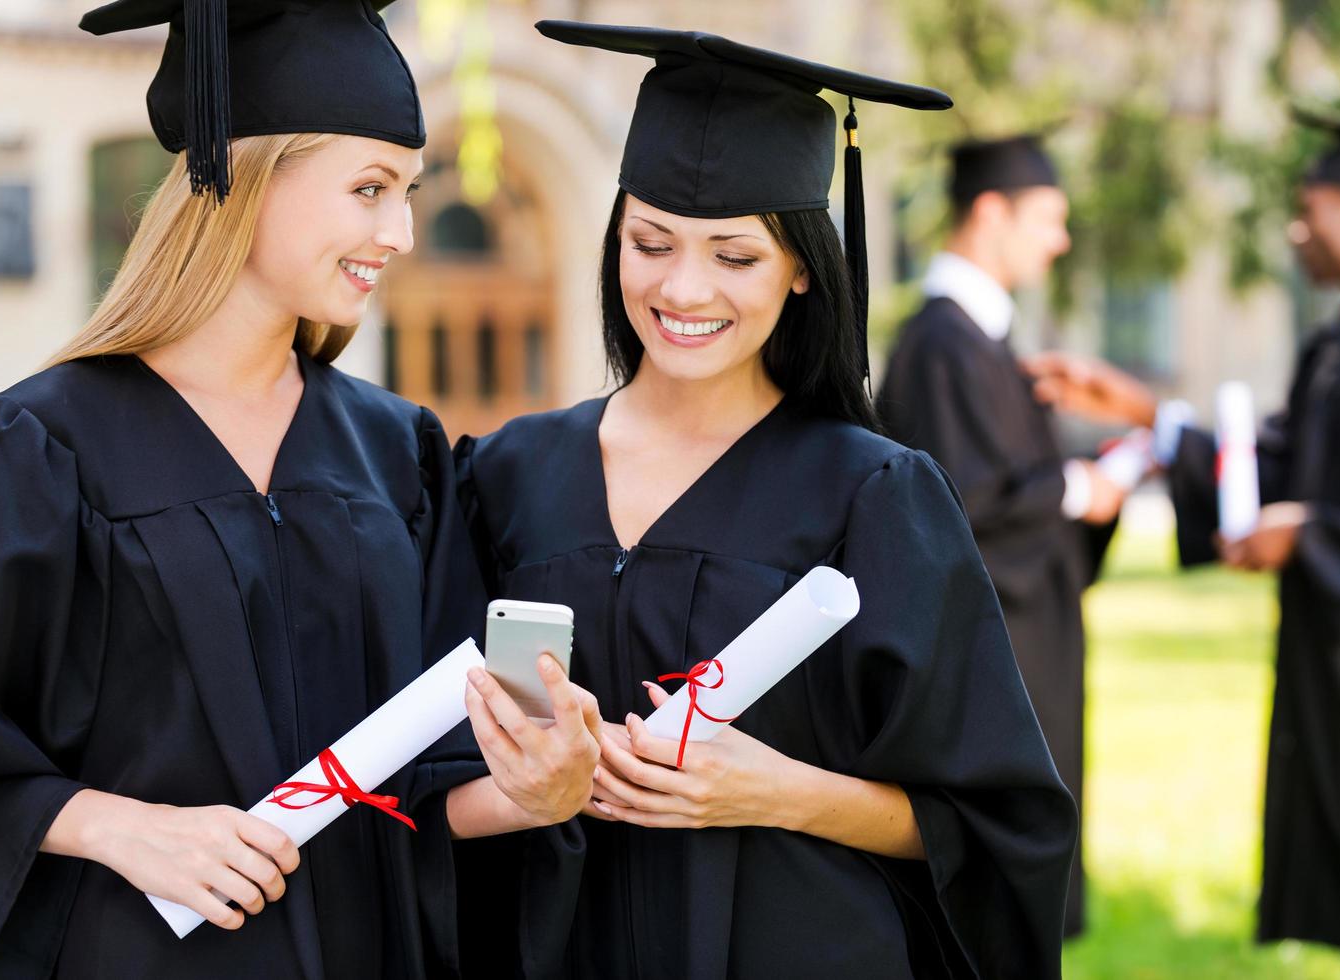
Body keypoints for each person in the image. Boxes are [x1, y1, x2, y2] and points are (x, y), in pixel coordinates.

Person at [0, 3, 598, 977]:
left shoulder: (399, 454)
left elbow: (421, 790)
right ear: (243, 177)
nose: (399, 231)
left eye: (408, 192)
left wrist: (537, 790)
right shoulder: (44, 445)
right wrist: (115, 825)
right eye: (368, 187)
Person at [454, 21, 1078, 979]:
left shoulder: (871, 495)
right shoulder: (505, 475)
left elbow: (989, 819)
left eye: (734, 257)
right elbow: (431, 777)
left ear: (799, 270)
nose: (682, 287)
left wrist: (777, 791)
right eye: (650, 243)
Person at [1025, 113, 1340, 979]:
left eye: (1310, 209)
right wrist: (1147, 412)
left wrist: (1311, 534)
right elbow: (1274, 467)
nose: (1296, 230)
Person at [875, 132, 1131, 937]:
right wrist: (1079, 487)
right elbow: (961, 505)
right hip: (990, 661)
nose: (1058, 240)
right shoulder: (944, 342)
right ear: (990, 213)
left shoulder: (974, 340)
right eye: (1046, 219)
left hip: (1026, 641)